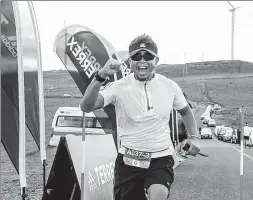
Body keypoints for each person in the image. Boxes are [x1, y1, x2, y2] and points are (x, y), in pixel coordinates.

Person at [80, 34, 201, 200]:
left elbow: (186, 111)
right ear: (130, 62)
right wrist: (100, 76)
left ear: (156, 60)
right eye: (137, 56)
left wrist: (194, 137)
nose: (142, 60)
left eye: (148, 56)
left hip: (161, 157)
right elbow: (86, 106)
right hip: (129, 159)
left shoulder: (169, 86)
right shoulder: (118, 87)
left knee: (159, 195)